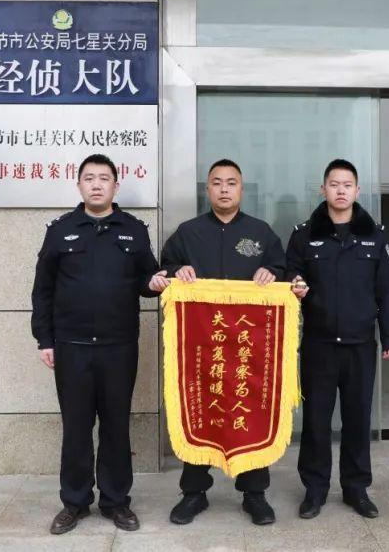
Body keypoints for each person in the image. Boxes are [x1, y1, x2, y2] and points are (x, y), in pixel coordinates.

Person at [31, 153, 171, 534]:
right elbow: (43, 290)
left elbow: (146, 280)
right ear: (79, 185)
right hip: (72, 347)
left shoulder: (133, 231)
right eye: (89, 178)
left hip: (118, 347)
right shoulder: (60, 231)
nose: (96, 184)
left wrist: (154, 283)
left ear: (115, 185)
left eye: (104, 178)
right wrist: (45, 339)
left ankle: (116, 501)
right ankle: (74, 502)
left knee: (116, 426)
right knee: (76, 428)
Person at [161, 158, 286, 526]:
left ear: (241, 189)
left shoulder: (261, 233)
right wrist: (177, 270)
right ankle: (194, 493)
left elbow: (284, 271)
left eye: (231, 183)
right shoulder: (188, 233)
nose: (224, 189)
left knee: (251, 412)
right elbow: (165, 268)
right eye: (217, 183)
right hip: (203, 346)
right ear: (208, 190)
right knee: (201, 408)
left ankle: (254, 494)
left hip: (249, 347)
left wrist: (271, 272)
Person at [286, 158, 389, 520]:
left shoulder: (374, 235)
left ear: (357, 190)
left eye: (347, 185)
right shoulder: (304, 234)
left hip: (360, 345)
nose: (340, 190)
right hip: (318, 345)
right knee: (316, 421)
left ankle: (356, 488)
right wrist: (295, 285)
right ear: (323, 189)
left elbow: (387, 290)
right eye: (334, 184)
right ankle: (314, 490)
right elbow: (291, 274)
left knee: (357, 419)